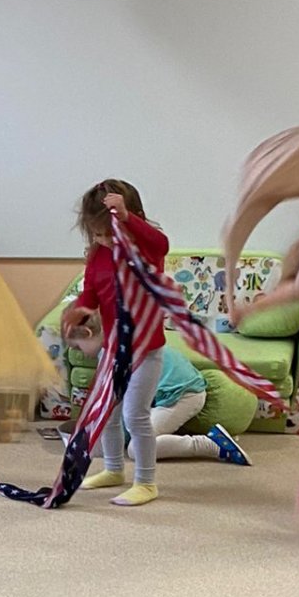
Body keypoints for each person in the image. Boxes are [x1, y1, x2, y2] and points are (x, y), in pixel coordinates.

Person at [60, 182, 171, 507]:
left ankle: (146, 482)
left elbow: (162, 244)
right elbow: (91, 293)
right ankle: (113, 469)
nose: (105, 240)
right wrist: (80, 310)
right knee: (107, 413)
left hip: (145, 350)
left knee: (135, 415)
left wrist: (126, 219)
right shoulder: (98, 255)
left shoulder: (145, 249)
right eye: (97, 234)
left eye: (110, 233)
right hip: (113, 349)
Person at [69, 313, 250, 464]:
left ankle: (210, 443)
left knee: (136, 449)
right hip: (169, 392)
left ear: (87, 333)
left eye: (78, 346)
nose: (81, 352)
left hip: (184, 394)